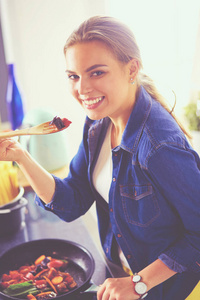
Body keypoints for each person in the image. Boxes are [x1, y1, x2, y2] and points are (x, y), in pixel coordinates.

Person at [0, 15, 200, 300]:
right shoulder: (97, 125)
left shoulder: (159, 145)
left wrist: (138, 284)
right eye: (74, 76)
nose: (82, 89)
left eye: (96, 73)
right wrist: (20, 156)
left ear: (132, 69)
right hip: (123, 279)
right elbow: (73, 201)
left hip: (170, 290)